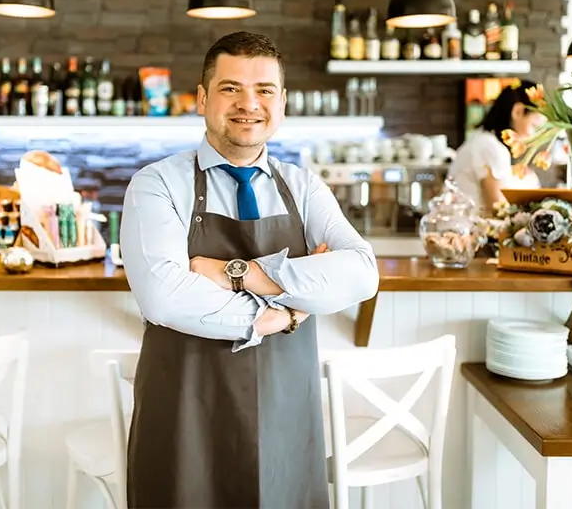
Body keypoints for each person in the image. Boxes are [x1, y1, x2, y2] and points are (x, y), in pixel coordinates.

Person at [120, 31, 379, 509]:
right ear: (202, 99)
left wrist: (242, 274)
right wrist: (284, 313)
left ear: (281, 103)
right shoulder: (156, 184)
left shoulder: (305, 187)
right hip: (184, 412)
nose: (248, 104)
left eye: (264, 90)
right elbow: (164, 295)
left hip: (286, 413)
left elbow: (362, 273)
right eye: (230, 88)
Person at [448, 79, 547, 214]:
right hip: (464, 231)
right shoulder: (490, 147)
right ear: (517, 111)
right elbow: (497, 209)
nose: (534, 136)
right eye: (534, 126)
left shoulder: (483, 140)